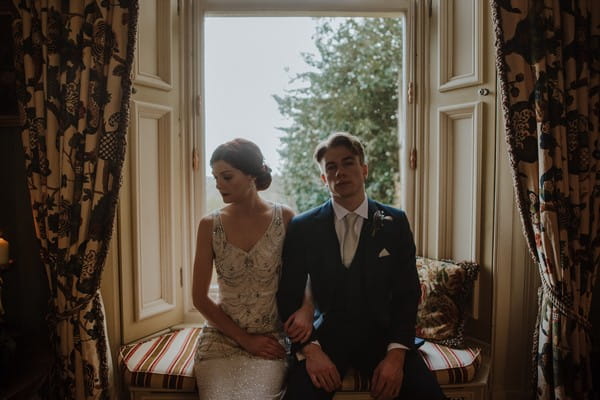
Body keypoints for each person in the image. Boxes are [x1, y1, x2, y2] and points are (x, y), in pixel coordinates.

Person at [277, 132, 445, 400]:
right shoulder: (303, 227)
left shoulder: (396, 221)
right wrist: (310, 349)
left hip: (383, 338)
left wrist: (397, 355)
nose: (340, 172)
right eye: (331, 167)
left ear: (364, 169)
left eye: (348, 163)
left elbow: (407, 293)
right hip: (326, 339)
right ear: (323, 179)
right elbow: (288, 294)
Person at [192, 138, 314, 400]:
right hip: (220, 340)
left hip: (270, 340)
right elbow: (199, 298)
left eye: (226, 177)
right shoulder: (209, 225)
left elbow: (308, 275)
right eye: (215, 177)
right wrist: (245, 340)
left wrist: (307, 308)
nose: (218, 184)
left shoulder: (285, 218)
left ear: (251, 175)